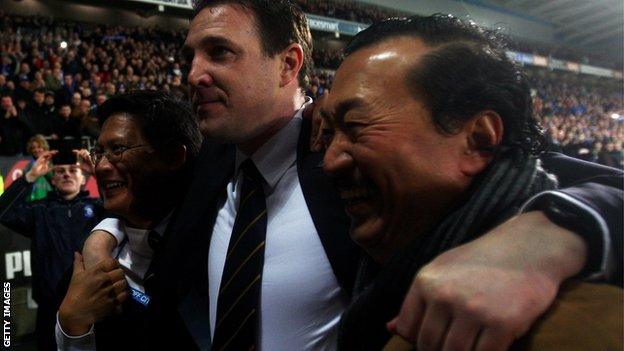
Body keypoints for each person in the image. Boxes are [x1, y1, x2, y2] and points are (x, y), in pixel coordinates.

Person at [84, 2, 622, 350]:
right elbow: (139, 205)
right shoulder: (211, 164)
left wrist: (547, 233)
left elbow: (540, 167)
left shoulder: (359, 167)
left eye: (220, 52)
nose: (195, 74)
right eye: (191, 55)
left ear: (289, 64)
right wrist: (100, 241)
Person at [318, 15, 623, 350]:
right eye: (330, 130)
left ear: (478, 139)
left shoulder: (576, 321)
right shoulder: (382, 237)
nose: (330, 161)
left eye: (356, 125)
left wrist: (561, 226)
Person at [55, 90, 202, 350]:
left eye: (118, 149)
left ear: (173, 157)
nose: (100, 167)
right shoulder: (84, 276)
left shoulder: (218, 248)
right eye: (99, 152)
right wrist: (72, 327)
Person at [0, 147, 104, 350]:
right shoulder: (39, 211)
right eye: (59, 171)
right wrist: (30, 176)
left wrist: (96, 172)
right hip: (49, 307)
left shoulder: (99, 208)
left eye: (73, 170)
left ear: (84, 179)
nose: (66, 173)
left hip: (92, 303)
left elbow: (127, 206)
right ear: (53, 180)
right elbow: (4, 211)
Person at [24, 134, 53, 201]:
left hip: (45, 201)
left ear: (44, 148)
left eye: (39, 147)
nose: (36, 150)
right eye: (33, 148)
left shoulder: (51, 164)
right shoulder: (28, 166)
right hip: (29, 201)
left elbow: (55, 181)